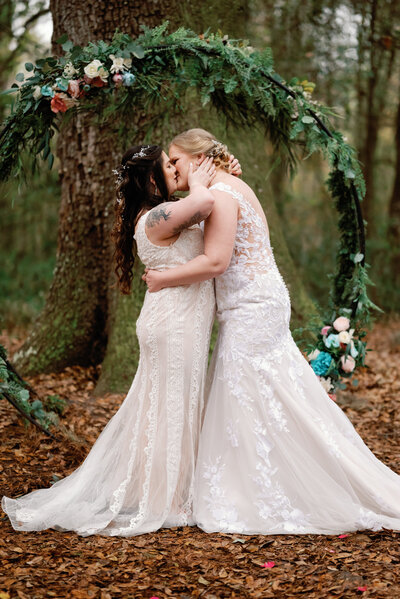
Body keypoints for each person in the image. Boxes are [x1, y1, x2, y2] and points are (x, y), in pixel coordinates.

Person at [144, 128, 400, 535]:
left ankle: (260, 491)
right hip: (256, 302)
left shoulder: (225, 195)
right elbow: (189, 215)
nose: (171, 169)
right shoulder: (229, 186)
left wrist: (163, 278)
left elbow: (215, 262)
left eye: (176, 161)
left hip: (251, 307)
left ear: (198, 159)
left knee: (245, 394)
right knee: (275, 394)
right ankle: (277, 476)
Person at [2, 144, 218, 536]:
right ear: (151, 178)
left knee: (169, 406)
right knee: (170, 408)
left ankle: (171, 491)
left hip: (178, 320)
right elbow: (203, 202)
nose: (175, 168)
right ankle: (165, 500)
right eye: (168, 165)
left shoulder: (158, 214)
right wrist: (202, 179)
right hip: (173, 322)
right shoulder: (156, 216)